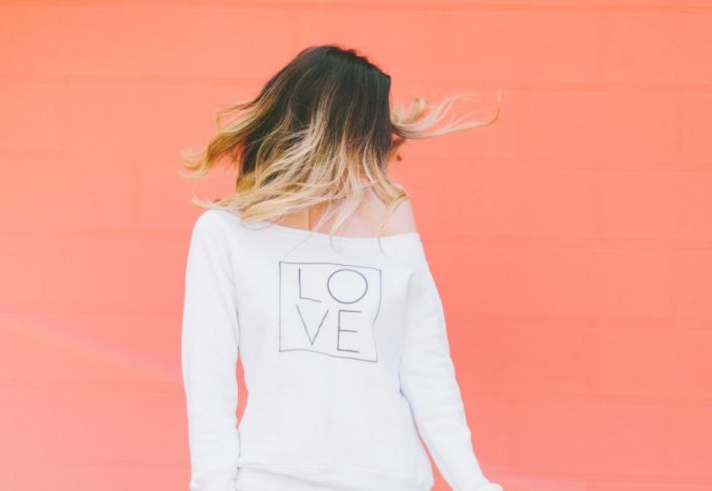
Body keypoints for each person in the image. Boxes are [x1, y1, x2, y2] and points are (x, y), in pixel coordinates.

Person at [179, 44, 503, 491]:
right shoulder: (224, 233)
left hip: (391, 479)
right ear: (338, 132)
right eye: (371, 134)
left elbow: (427, 369)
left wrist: (474, 484)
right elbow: (208, 385)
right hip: (272, 479)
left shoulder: (392, 217)